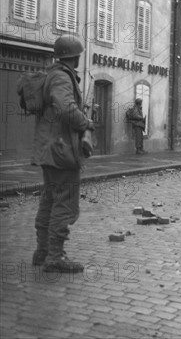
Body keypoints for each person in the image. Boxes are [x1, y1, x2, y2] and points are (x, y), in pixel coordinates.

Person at [32, 35, 94, 273]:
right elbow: (65, 107)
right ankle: (55, 257)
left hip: (51, 149)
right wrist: (86, 122)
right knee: (65, 205)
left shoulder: (55, 74)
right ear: (74, 57)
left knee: (50, 200)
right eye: (78, 54)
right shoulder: (60, 77)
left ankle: (43, 251)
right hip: (60, 150)